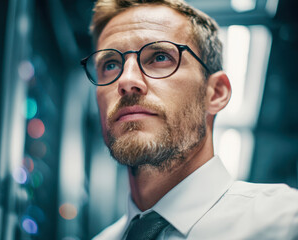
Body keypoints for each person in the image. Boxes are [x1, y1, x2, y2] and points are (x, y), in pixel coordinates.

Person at [80, 0, 298, 239]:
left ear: (215, 93)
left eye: (160, 57)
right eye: (110, 65)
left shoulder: (285, 222)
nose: (126, 80)